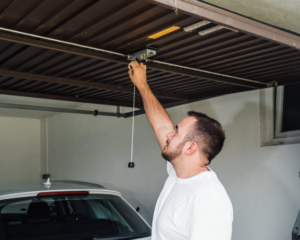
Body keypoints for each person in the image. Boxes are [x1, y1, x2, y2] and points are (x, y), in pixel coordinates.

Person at [128, 61, 233, 240]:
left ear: (190, 147)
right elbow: (161, 126)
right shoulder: (179, 173)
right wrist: (142, 85)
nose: (169, 134)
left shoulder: (208, 200)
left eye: (177, 131)